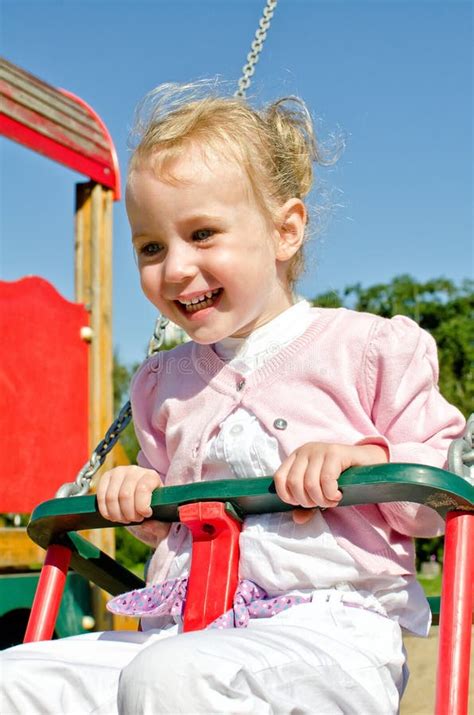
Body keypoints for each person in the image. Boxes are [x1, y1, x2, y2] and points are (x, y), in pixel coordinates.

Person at [1, 83, 465, 715]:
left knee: (170, 677)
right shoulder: (162, 383)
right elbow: (171, 521)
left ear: (285, 230)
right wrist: (140, 497)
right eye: (151, 247)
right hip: (186, 629)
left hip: (330, 634)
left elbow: (439, 498)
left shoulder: (369, 349)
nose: (174, 269)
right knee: (18, 677)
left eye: (202, 233)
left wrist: (360, 458)